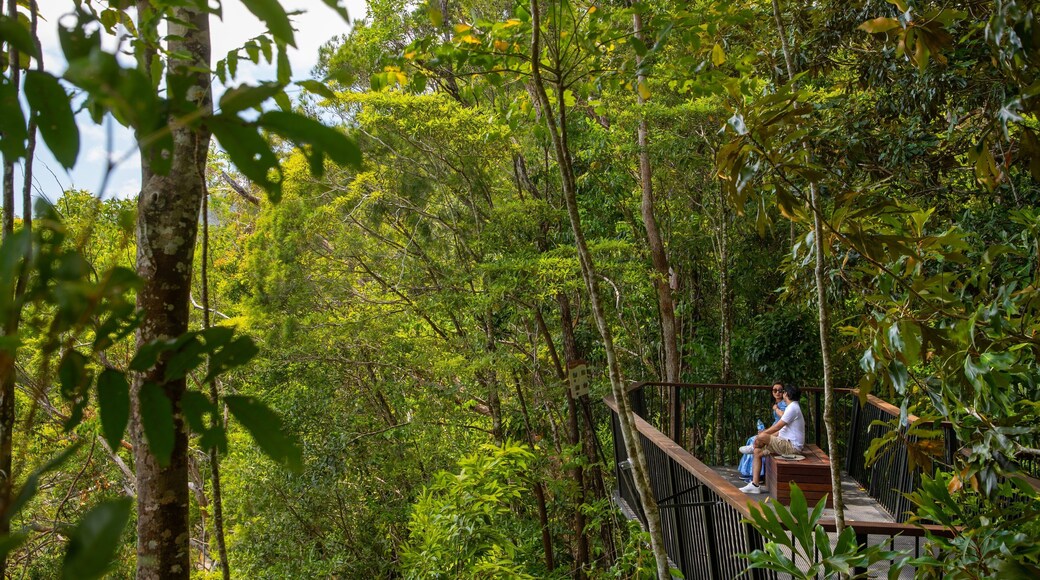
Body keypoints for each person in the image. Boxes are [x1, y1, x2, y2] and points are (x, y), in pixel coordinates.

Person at [738, 383, 805, 494]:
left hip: (791, 447)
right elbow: (780, 431)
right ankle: (755, 485)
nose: (780, 393)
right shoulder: (791, 407)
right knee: (758, 451)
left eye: (782, 391)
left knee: (762, 437)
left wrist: (761, 436)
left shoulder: (792, 408)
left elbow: (778, 426)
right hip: (785, 443)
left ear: (786, 394)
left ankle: (752, 446)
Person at [738, 382, 787, 481]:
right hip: (776, 428)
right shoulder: (778, 403)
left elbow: (785, 418)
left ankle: (757, 474)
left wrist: (776, 409)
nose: (777, 392)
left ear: (784, 392)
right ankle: (749, 471)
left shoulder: (784, 404)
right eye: (775, 390)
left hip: (781, 431)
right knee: (753, 439)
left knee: (754, 440)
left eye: (780, 390)